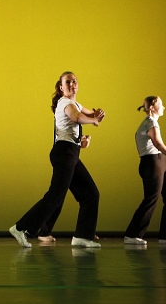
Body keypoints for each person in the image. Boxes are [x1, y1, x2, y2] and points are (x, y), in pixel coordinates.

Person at [8, 72, 105, 249]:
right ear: (61, 88)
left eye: (74, 81)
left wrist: (90, 126)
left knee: (91, 194)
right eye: (68, 82)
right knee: (55, 195)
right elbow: (77, 117)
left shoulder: (75, 104)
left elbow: (88, 112)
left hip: (71, 153)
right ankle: (21, 228)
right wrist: (94, 120)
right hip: (64, 153)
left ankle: (83, 236)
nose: (72, 84)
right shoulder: (65, 103)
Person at [123, 96, 166, 246]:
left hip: (160, 161)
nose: (164, 107)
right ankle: (132, 235)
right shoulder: (150, 123)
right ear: (152, 108)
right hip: (151, 164)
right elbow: (159, 145)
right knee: (151, 198)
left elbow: (162, 149)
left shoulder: (153, 123)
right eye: (161, 104)